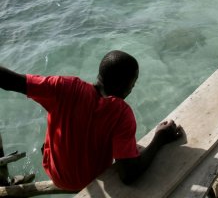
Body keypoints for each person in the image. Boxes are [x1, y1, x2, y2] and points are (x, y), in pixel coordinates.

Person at [0, 50, 183, 191]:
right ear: (125, 85)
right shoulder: (121, 113)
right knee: (127, 147)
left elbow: (11, 81)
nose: (133, 87)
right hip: (90, 179)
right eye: (133, 83)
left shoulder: (64, 86)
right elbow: (128, 176)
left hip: (56, 174)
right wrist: (159, 139)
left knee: (57, 130)